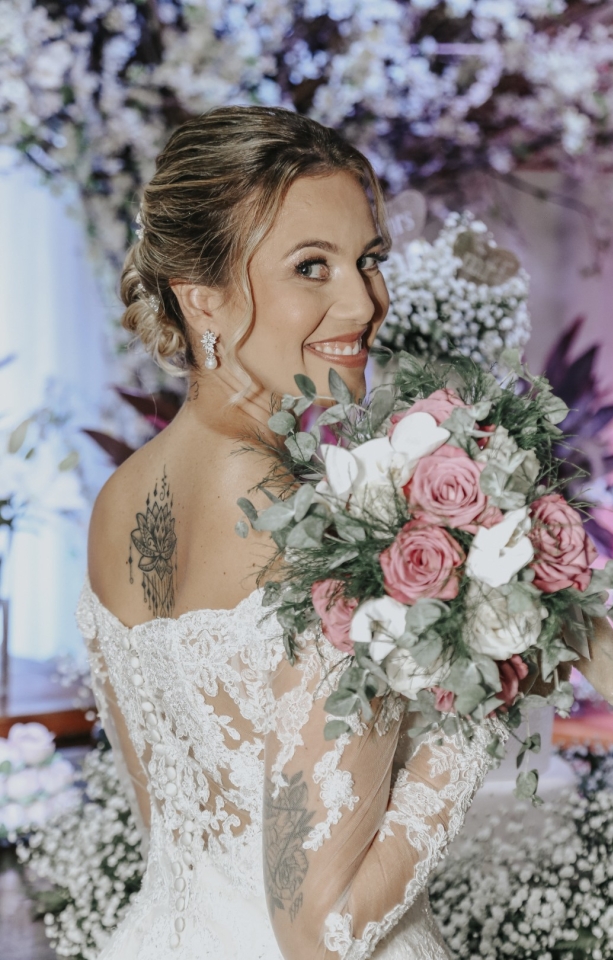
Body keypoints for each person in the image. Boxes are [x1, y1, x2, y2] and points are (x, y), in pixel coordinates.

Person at [76, 106, 511, 960]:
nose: (365, 301)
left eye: (369, 259)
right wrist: (494, 672)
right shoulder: (319, 530)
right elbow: (322, 930)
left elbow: (177, 825)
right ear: (201, 297)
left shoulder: (118, 500)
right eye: (312, 266)